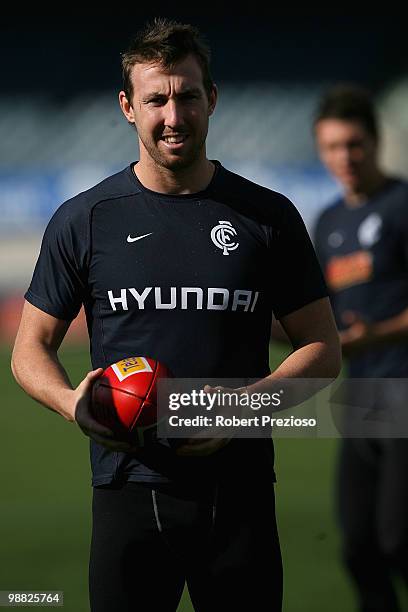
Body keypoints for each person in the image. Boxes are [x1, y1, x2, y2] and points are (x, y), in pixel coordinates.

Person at [11, 18, 340, 612]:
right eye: (155, 98)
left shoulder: (268, 216)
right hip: (125, 490)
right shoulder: (85, 218)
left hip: (238, 494)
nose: (172, 115)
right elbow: (30, 348)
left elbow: (322, 349)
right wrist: (73, 404)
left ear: (210, 99)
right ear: (127, 107)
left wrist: (238, 413)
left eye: (187, 95)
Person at [313, 84, 408, 612]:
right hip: (360, 399)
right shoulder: (328, 222)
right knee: (359, 548)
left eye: (354, 144)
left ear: (375, 142)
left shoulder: (402, 205)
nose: (343, 158)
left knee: (398, 540)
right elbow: (317, 320)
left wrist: (377, 334)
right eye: (331, 147)